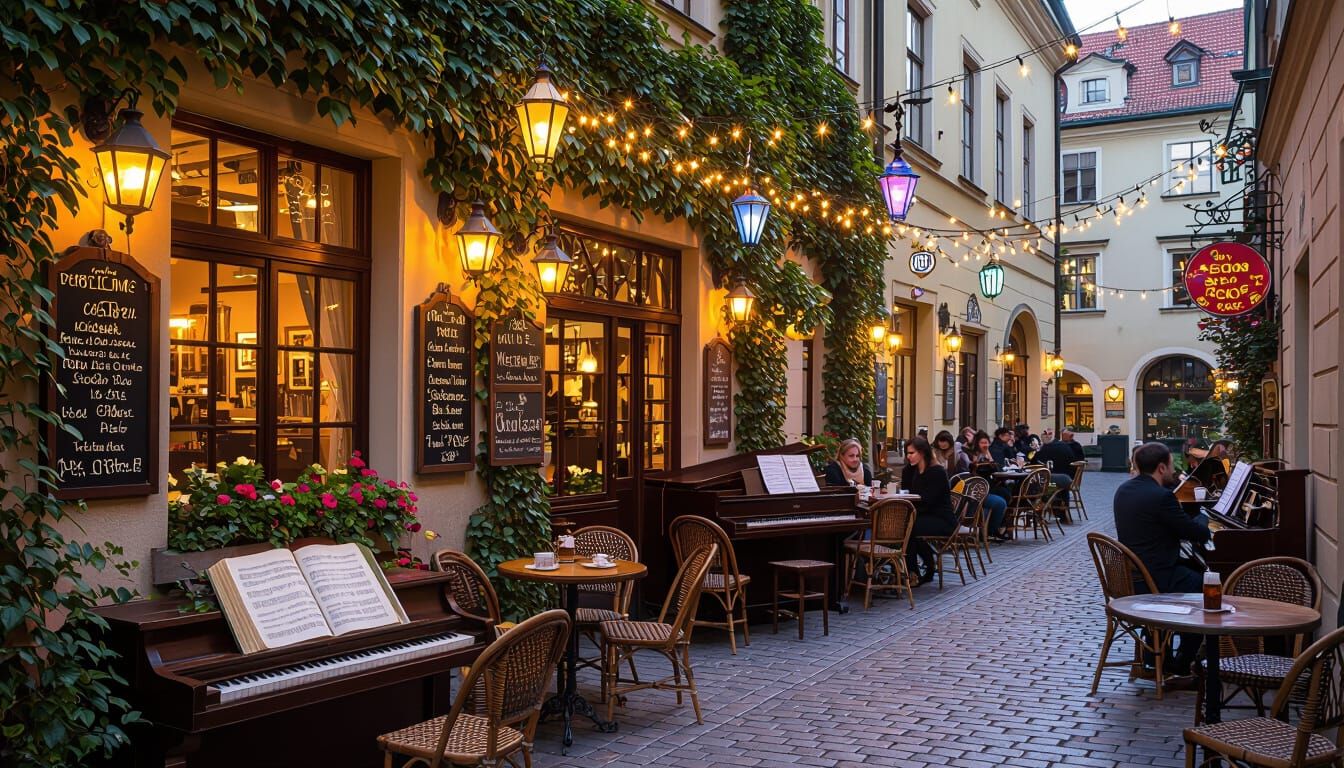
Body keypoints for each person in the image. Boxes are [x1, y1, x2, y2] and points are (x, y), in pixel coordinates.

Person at [1113, 442, 1212, 676]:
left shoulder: (1124, 490)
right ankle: (1183, 663)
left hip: (1133, 575)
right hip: (1153, 578)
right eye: (1170, 466)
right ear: (1160, 468)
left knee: (1192, 571)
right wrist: (1204, 518)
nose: (1173, 470)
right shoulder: (1161, 497)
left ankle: (1155, 654)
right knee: (1203, 585)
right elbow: (1194, 532)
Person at [900, 437, 957, 584]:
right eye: (907, 453)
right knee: (903, 527)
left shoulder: (936, 472)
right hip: (920, 515)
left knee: (908, 528)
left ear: (922, 453)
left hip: (941, 519)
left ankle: (913, 572)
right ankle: (924, 565)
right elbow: (905, 491)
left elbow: (929, 501)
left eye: (912, 453)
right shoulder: (909, 470)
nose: (908, 456)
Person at [965, 431, 1010, 539]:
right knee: (1001, 501)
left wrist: (989, 456)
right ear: (977, 443)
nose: (985, 445)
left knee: (1006, 493)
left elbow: (996, 469)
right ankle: (991, 531)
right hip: (975, 491)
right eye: (982, 443)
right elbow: (971, 472)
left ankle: (1001, 526)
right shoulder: (971, 455)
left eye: (987, 442)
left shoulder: (986, 454)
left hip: (988, 487)